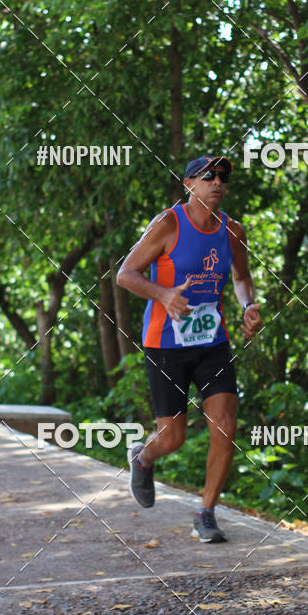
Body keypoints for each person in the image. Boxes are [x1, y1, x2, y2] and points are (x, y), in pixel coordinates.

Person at [116, 155, 262, 542]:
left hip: (212, 340)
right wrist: (163, 294)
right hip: (165, 343)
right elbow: (125, 274)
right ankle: (144, 457)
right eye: (208, 176)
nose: (217, 181)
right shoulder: (168, 224)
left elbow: (242, 277)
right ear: (189, 184)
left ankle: (206, 512)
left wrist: (248, 306)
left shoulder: (233, 230)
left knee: (226, 425)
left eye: (223, 176)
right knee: (174, 437)